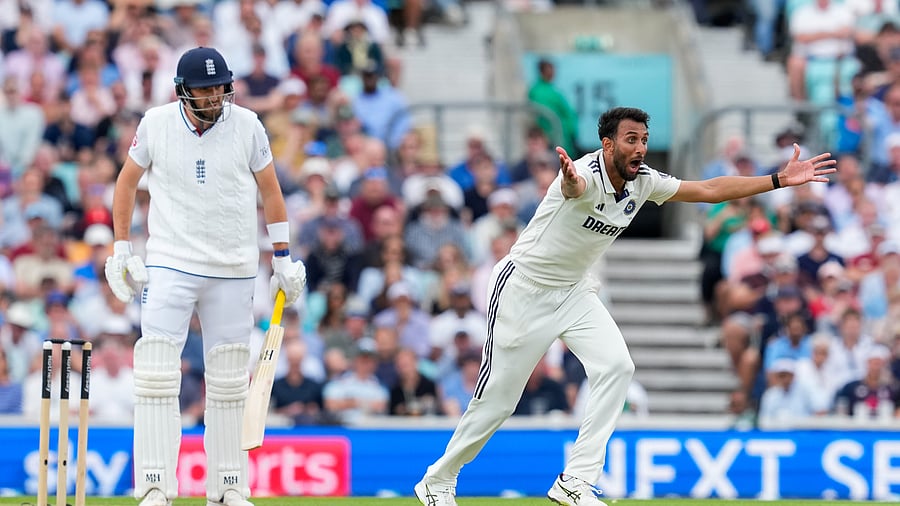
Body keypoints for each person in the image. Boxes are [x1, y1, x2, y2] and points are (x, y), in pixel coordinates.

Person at [413, 106, 837, 506]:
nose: (640, 148)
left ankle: (575, 481)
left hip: (574, 290)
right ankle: (437, 479)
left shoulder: (644, 181)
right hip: (524, 289)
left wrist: (777, 180)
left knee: (618, 366)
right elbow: (574, 187)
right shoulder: (582, 172)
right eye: (631, 139)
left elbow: (708, 190)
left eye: (645, 139)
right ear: (608, 144)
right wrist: (569, 181)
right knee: (499, 401)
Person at [104, 47, 307, 506]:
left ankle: (229, 486)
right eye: (205, 89)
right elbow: (126, 182)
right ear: (183, 91)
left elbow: (271, 191)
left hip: (233, 267)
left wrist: (282, 259)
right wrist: (121, 248)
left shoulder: (248, 125)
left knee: (230, 379)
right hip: (170, 261)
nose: (215, 96)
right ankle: (154, 485)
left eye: (219, 87)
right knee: (156, 372)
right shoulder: (155, 123)